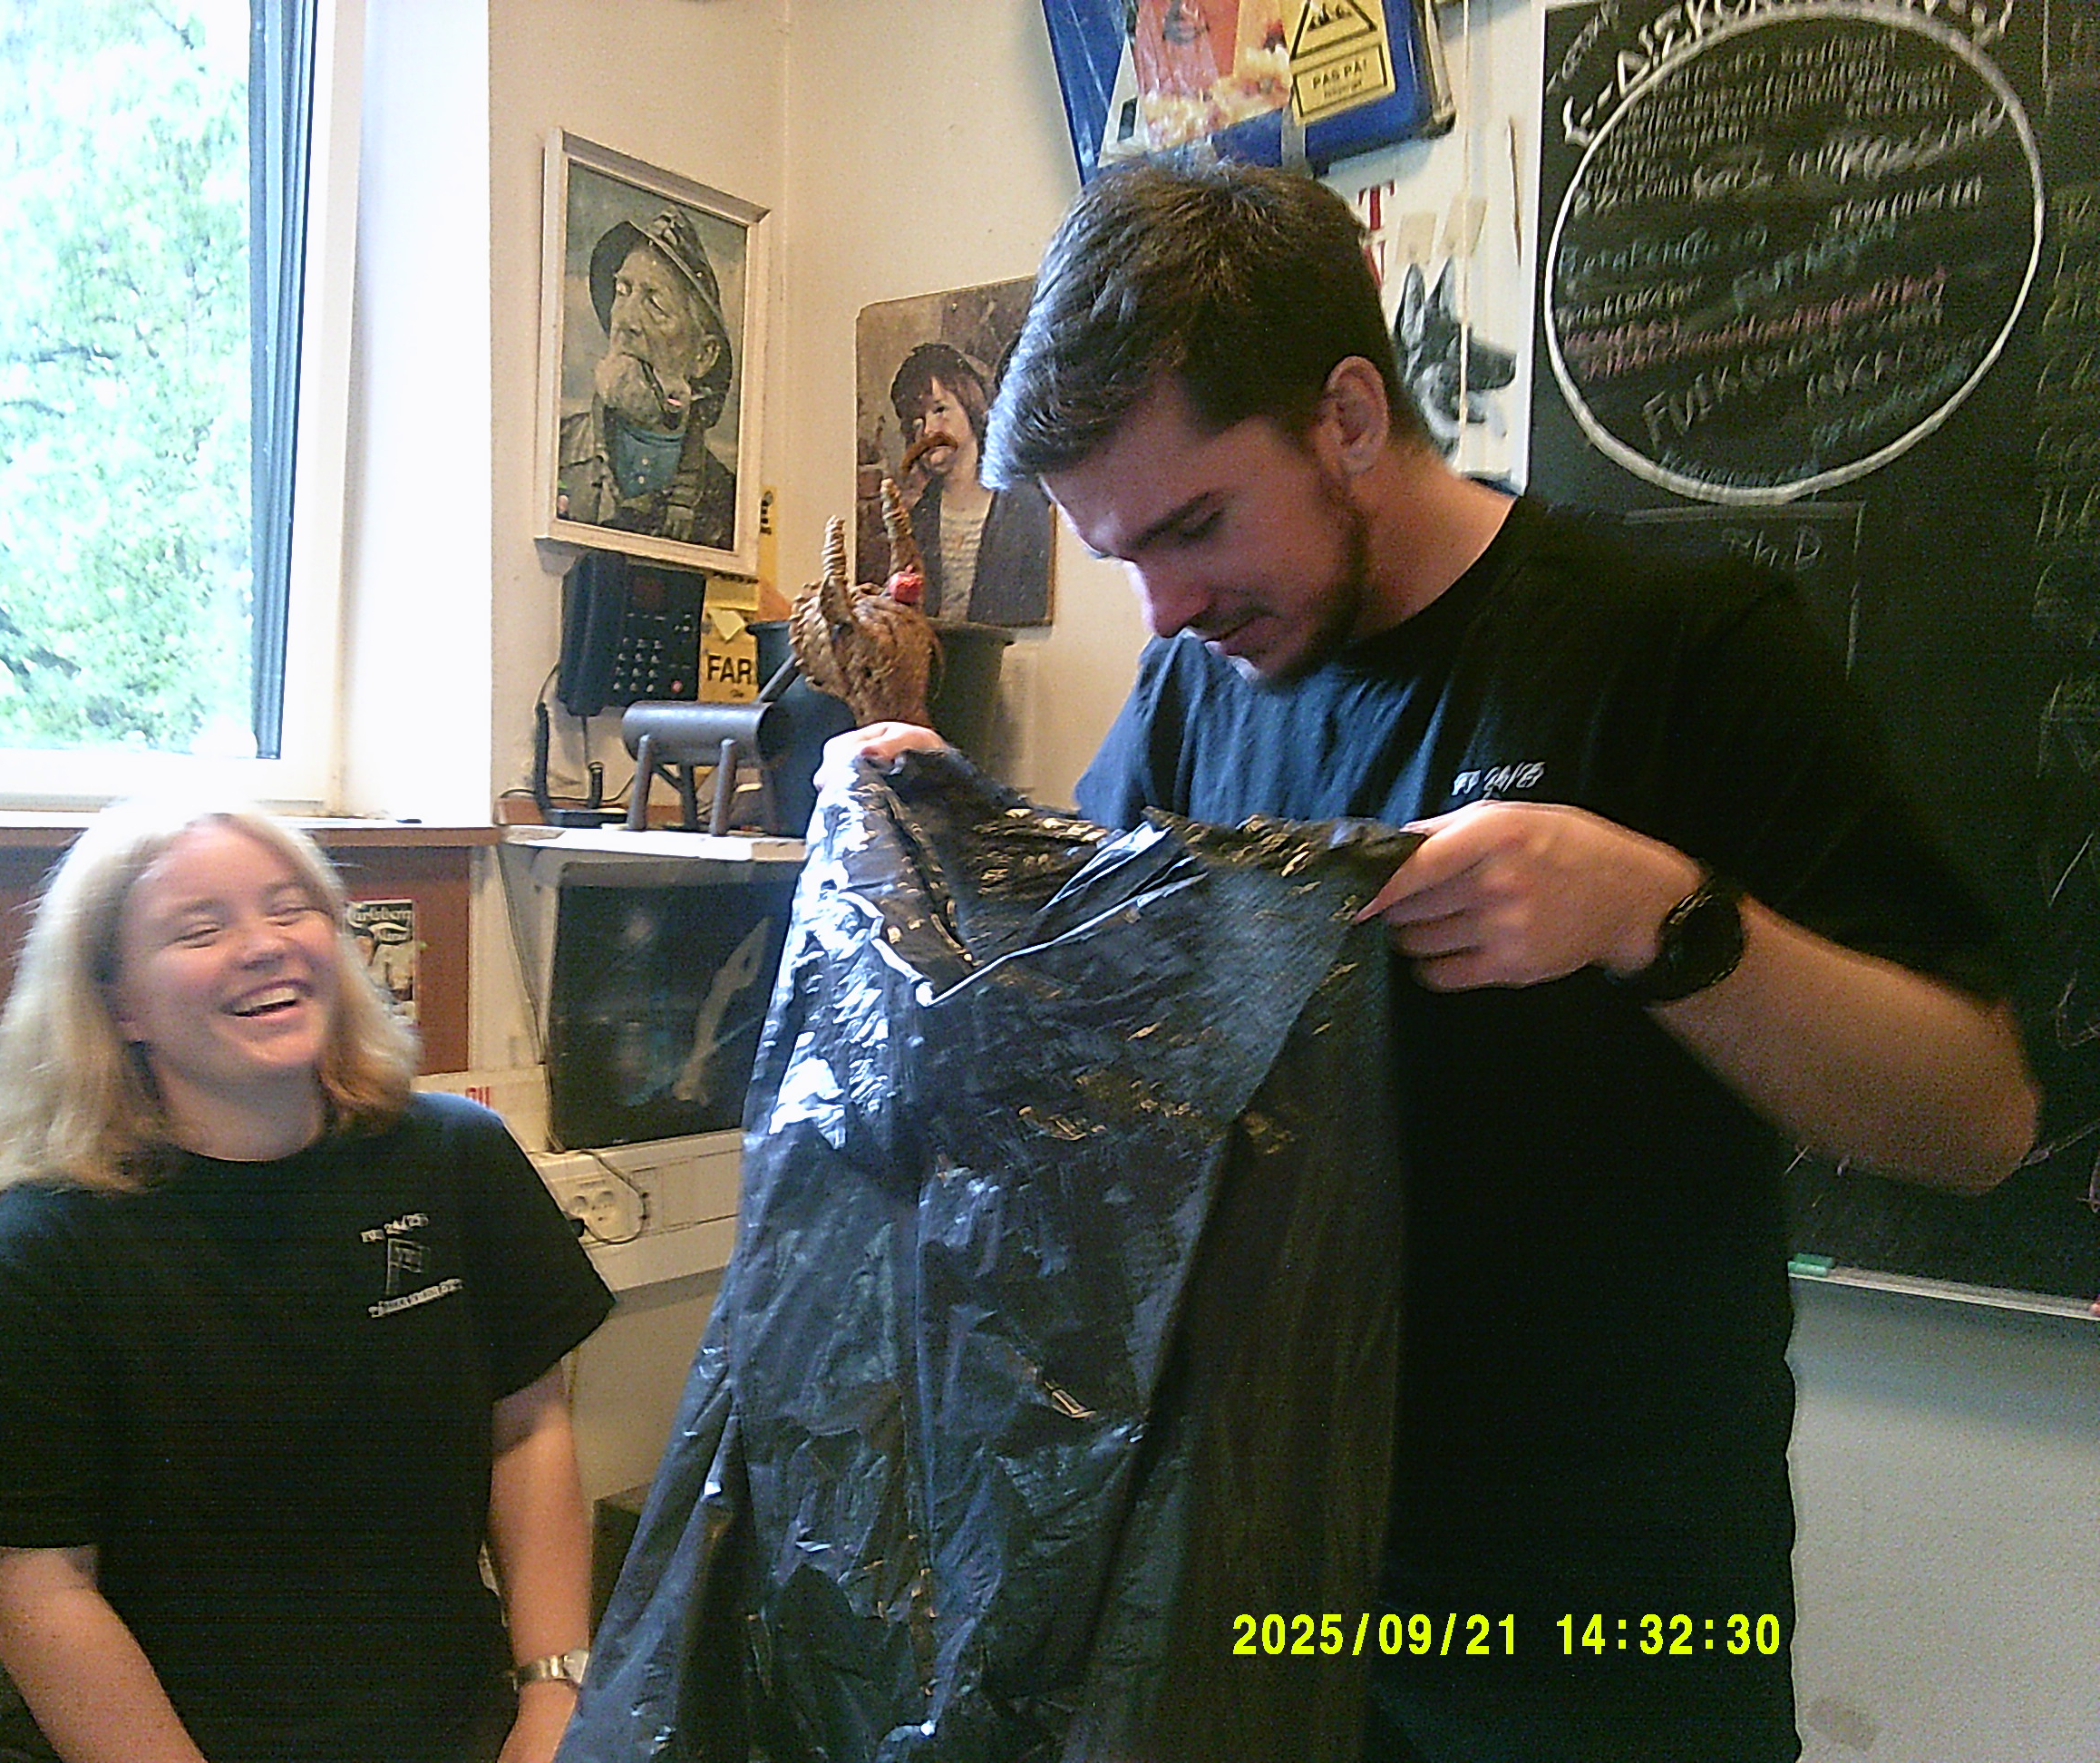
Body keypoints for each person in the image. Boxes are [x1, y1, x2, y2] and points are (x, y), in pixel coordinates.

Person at [829, 160, 2037, 1761]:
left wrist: (1657, 915)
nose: (1164, 609)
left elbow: (1976, 1115)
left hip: (1600, 1622)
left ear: (1346, 415)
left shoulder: (1680, 642)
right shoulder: (1195, 691)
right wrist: (951, 849)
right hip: (1264, 1578)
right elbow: (1093, 1056)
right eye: (1120, 555)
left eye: (1194, 525)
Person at [0, 800, 615, 1763]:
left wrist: (554, 1695)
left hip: (471, 1722)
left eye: (289, 908)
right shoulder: (39, 1255)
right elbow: (32, 1581)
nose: (265, 945)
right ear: (119, 1006)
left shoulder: (455, 1156)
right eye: (200, 930)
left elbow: (527, 1427)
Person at [556, 206, 737, 550]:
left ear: (703, 356)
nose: (625, 320)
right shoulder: (557, 452)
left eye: (655, 303)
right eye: (622, 291)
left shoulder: (725, 501)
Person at [888, 341, 1053, 624]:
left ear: (970, 406)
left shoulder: (1023, 505)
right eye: (916, 422)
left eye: (939, 410)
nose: (928, 430)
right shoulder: (918, 519)